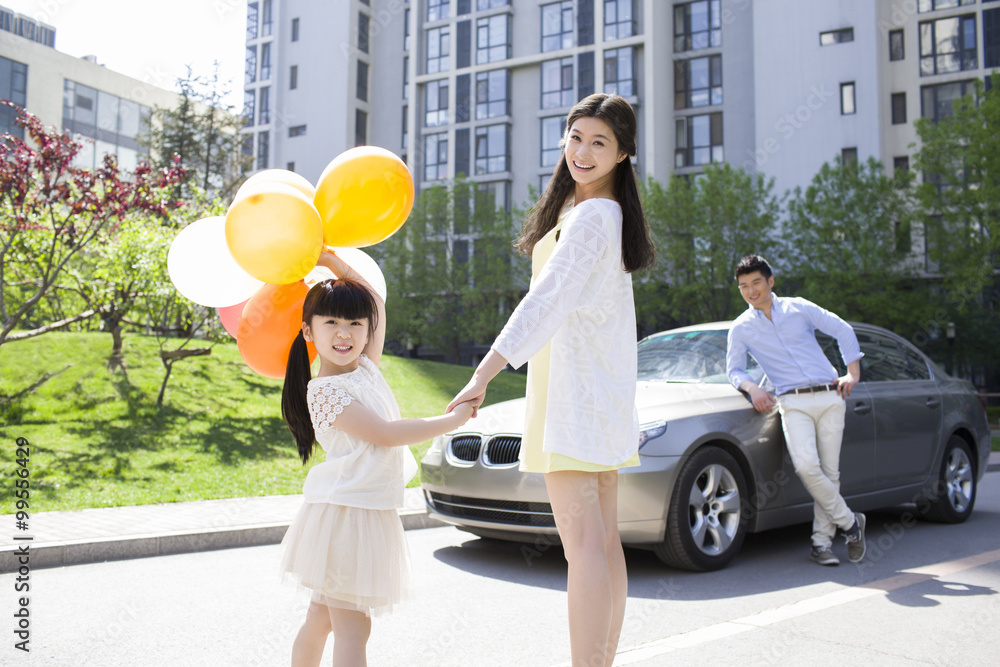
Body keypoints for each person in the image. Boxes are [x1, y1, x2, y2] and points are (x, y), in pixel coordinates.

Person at [447, 93, 656, 667]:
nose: (582, 152)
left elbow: (544, 303)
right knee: (603, 543)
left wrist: (483, 372)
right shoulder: (600, 212)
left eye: (599, 143)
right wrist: (572, 182)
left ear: (624, 154)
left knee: (585, 547)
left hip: (576, 397)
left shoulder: (593, 219)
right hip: (597, 396)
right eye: (575, 137)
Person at [280, 250, 475, 667]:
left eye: (354, 323)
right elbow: (386, 435)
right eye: (331, 322)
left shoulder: (365, 366)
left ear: (368, 331)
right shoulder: (325, 391)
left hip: (360, 508)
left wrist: (332, 261)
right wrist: (450, 421)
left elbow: (374, 300)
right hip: (346, 514)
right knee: (352, 626)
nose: (344, 332)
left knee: (322, 617)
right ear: (309, 332)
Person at [725, 254, 867, 566]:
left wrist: (852, 373)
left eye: (756, 283)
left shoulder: (799, 307)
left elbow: (842, 329)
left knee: (830, 473)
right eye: (743, 286)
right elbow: (734, 370)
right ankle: (851, 523)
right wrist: (753, 388)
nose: (751, 291)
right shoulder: (741, 328)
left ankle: (821, 544)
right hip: (792, 402)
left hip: (831, 397)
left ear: (770, 282)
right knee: (807, 467)